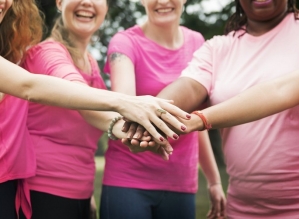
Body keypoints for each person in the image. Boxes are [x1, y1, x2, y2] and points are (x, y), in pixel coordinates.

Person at [0, 0, 190, 218]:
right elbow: (78, 96)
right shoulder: (47, 52)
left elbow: (94, 117)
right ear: (60, 3)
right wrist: (127, 105)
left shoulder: (90, 61)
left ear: (106, 8)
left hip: (79, 191)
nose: (87, 2)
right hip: (44, 191)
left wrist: (133, 133)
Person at [146, 0, 299, 218]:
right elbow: (189, 85)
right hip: (241, 208)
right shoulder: (218, 48)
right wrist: (149, 116)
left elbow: (280, 91)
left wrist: (200, 119)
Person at [101, 0, 226, 218]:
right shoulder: (124, 43)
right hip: (128, 179)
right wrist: (141, 139)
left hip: (181, 181)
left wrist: (214, 181)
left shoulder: (197, 42)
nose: (163, 1)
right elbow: (125, 106)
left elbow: (195, 120)